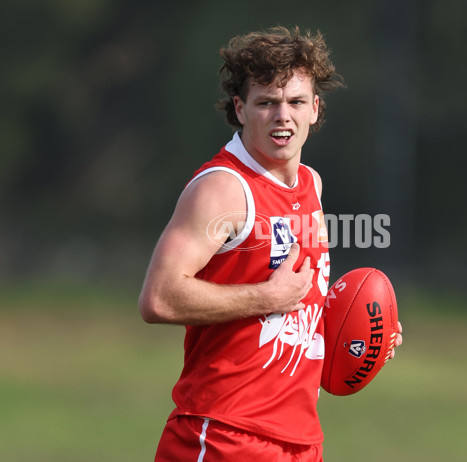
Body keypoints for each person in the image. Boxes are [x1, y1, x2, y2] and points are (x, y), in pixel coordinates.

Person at [138, 26, 403, 461]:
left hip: (300, 442)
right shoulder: (223, 189)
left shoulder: (311, 185)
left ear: (315, 109)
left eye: (296, 102)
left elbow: (298, 313)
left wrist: (361, 337)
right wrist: (266, 297)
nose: (283, 115)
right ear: (240, 109)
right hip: (224, 434)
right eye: (267, 103)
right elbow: (159, 299)